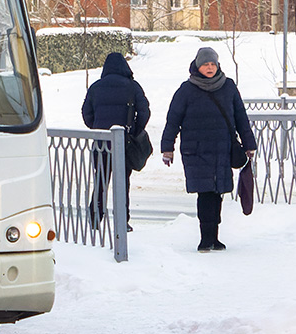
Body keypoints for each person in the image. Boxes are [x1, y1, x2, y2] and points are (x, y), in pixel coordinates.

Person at [159, 46, 257, 252]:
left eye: (212, 64)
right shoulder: (186, 90)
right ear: (197, 66)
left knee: (218, 192)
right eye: (205, 64)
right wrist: (167, 147)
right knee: (205, 193)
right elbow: (173, 119)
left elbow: (241, 117)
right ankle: (205, 238)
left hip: (223, 148)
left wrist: (249, 144)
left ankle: (215, 237)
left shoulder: (228, 87)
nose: (210, 68)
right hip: (196, 150)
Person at [81, 51, 150, 233]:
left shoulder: (96, 87)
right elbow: (144, 111)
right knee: (123, 183)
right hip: (124, 144)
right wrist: (134, 130)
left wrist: (97, 127)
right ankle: (122, 220)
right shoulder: (133, 87)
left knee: (101, 181)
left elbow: (86, 113)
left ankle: (96, 217)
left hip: (101, 143)